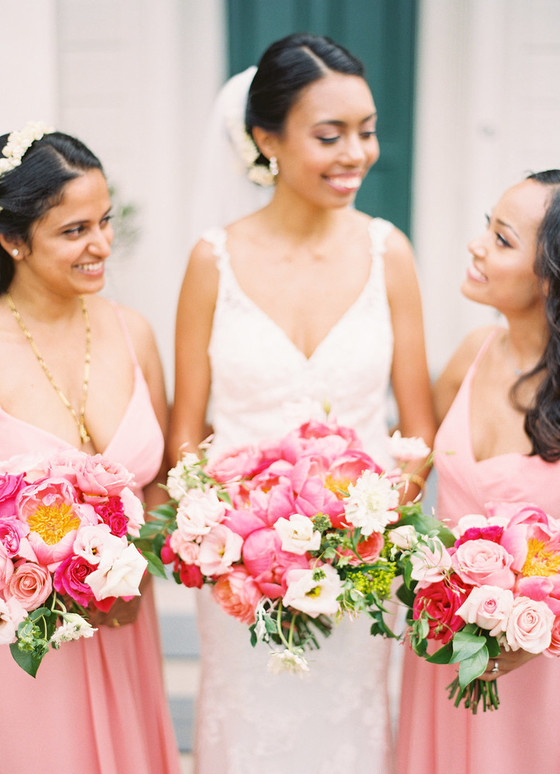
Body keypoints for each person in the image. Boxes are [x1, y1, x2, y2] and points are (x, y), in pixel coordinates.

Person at [169, 33, 435, 773]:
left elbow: (416, 429)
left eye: (367, 129)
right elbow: (186, 432)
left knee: (345, 736)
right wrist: (222, 542)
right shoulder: (211, 260)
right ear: (267, 140)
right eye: (330, 135)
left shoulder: (390, 252)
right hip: (241, 580)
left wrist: (363, 536)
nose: (357, 152)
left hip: (361, 568)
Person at [0, 123, 181, 773]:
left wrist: (135, 567)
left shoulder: (134, 332)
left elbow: (159, 482)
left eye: (104, 222)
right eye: (75, 231)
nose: (101, 245)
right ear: (13, 240)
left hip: (126, 623)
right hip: (23, 647)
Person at [397, 170, 560, 774]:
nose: (477, 246)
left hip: (545, 668)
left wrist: (542, 624)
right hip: (447, 648)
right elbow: (412, 462)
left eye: (502, 239)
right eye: (486, 229)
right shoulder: (473, 351)